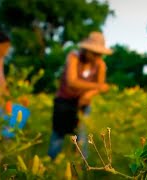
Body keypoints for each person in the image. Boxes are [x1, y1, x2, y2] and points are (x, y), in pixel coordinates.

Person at [48, 31, 112, 159]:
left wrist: (89, 93)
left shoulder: (100, 64)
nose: (96, 56)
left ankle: (82, 167)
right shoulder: (74, 57)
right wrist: (98, 86)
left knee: (82, 136)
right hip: (64, 101)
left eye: (99, 54)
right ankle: (51, 164)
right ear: (86, 49)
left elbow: (100, 87)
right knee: (58, 134)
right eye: (94, 53)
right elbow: (72, 82)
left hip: (83, 103)